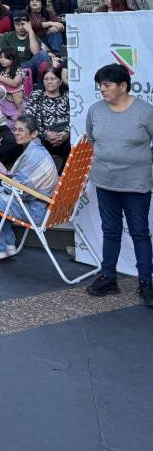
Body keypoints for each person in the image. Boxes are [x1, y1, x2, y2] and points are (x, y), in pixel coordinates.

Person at [85, 64, 153, 307]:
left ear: (123, 86)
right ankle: (108, 277)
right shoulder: (95, 110)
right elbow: (91, 139)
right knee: (110, 231)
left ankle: (146, 282)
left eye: (107, 85)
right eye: (100, 85)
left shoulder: (145, 112)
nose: (102, 89)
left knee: (140, 233)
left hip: (136, 185)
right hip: (105, 182)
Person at [0, 114, 59, 261]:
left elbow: (19, 190)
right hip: (42, 205)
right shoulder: (37, 150)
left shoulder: (33, 155)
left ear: (34, 133)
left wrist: (5, 182)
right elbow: (19, 184)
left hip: (36, 211)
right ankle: (8, 245)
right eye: (15, 129)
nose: (16, 133)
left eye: (21, 130)